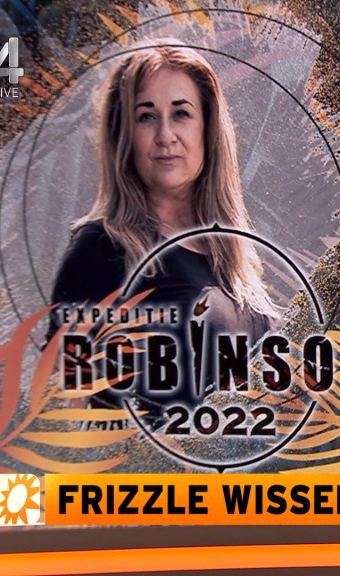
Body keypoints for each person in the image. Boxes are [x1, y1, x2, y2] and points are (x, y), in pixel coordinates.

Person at [49, 41, 279, 420]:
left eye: (181, 113)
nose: (165, 135)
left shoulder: (233, 257)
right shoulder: (101, 250)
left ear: (208, 128)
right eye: (146, 117)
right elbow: (66, 413)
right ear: (123, 135)